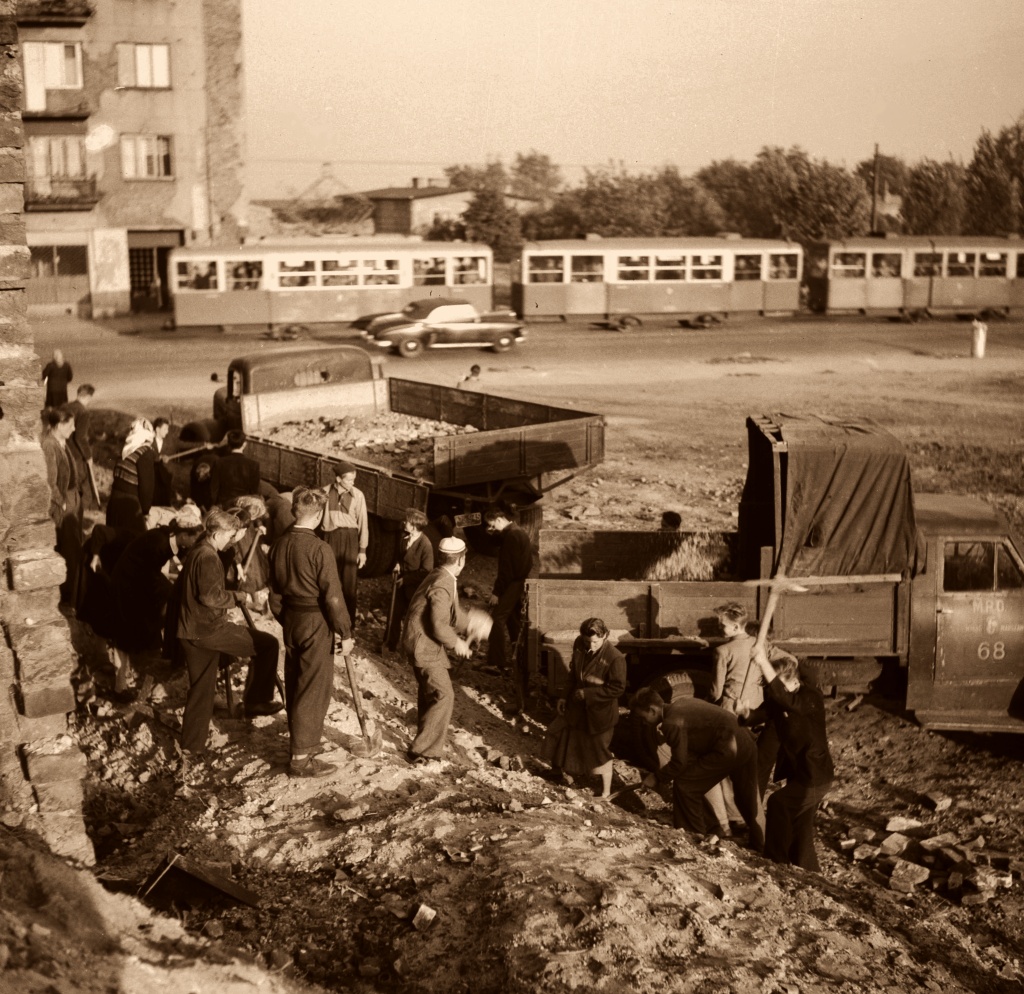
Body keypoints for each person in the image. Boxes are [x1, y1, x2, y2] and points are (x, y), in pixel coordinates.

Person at [177, 509, 283, 769]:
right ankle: (256, 701)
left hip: (190, 631)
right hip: (208, 630)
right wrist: (237, 597)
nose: (231, 539)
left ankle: (191, 749)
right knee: (267, 644)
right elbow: (210, 597)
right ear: (216, 533)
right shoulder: (208, 557)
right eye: (228, 535)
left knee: (201, 690)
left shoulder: (199, 548)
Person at [268, 487, 355, 778]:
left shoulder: (279, 545)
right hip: (316, 622)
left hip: (291, 620)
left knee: (295, 683)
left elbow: (274, 596)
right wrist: (345, 631)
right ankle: (301, 759)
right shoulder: (320, 549)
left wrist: (287, 620)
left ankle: (301, 744)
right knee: (313, 688)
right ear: (318, 516)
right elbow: (333, 596)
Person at [630, 688, 765, 850]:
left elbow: (679, 763)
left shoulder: (671, 722)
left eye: (643, 718)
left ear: (652, 710)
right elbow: (690, 754)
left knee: (685, 785)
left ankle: (693, 836)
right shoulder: (682, 703)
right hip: (745, 740)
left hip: (727, 747)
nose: (644, 723)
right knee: (748, 797)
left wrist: (657, 777)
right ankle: (761, 844)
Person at [749, 648, 834, 871]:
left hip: (816, 776)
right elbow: (760, 713)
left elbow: (782, 698)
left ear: (795, 682)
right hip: (801, 775)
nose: (773, 693)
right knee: (802, 825)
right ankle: (809, 870)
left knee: (778, 803)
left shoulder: (810, 697)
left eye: (778, 686)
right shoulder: (783, 700)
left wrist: (762, 661)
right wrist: (744, 714)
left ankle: (776, 860)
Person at [108, 512, 204, 693]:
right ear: (184, 535)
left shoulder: (169, 537)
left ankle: (133, 668)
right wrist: (172, 591)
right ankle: (120, 686)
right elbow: (149, 578)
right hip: (126, 584)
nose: (194, 543)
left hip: (137, 579)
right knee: (124, 632)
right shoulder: (159, 545)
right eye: (194, 539)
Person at [402, 536, 473, 765]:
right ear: (461, 560)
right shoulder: (443, 583)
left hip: (419, 642)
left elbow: (453, 614)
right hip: (424, 645)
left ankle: (421, 745)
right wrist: (457, 643)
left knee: (430, 694)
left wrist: (472, 623)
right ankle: (423, 751)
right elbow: (439, 624)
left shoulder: (440, 574)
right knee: (444, 695)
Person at [547, 617, 627, 798]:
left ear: (605, 636)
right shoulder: (579, 644)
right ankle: (560, 773)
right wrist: (563, 696)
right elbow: (573, 674)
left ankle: (606, 792)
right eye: (587, 641)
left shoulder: (615, 658)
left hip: (600, 712)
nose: (590, 646)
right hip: (577, 706)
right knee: (560, 733)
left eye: (595, 642)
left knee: (599, 749)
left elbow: (617, 688)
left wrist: (588, 694)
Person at [484, 504, 534, 692]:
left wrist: (497, 593)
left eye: (492, 525)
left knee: (496, 618)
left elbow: (506, 569)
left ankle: (496, 662)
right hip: (520, 581)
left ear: (499, 520)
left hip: (513, 582)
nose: (491, 529)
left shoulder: (511, 537)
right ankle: (517, 654)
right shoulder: (518, 532)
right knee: (513, 619)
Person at [40, 406, 82, 607]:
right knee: (69, 552)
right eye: (71, 425)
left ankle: (69, 596)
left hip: (72, 500)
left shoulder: (60, 442)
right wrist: (63, 503)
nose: (74, 429)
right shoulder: (50, 445)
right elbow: (50, 481)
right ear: (59, 425)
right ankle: (66, 600)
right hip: (64, 505)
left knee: (73, 549)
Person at [318, 462, 368, 626]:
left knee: (348, 584)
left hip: (350, 540)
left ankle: (348, 627)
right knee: (329, 580)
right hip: (329, 538)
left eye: (354, 480)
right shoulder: (324, 492)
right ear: (338, 479)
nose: (353, 483)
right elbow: (317, 519)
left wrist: (362, 550)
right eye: (349, 480)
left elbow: (363, 524)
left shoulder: (358, 495)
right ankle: (328, 623)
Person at [385, 508, 433, 652]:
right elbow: (401, 558)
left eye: (407, 521)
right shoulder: (404, 538)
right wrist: (398, 565)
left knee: (413, 619)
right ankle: (389, 644)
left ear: (414, 525)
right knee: (393, 613)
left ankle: (412, 650)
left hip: (416, 588)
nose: (404, 523)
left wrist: (406, 580)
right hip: (400, 583)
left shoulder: (426, 545)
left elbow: (426, 572)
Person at [107, 418, 158, 533]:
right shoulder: (145, 452)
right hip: (128, 505)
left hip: (114, 502)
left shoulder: (127, 449)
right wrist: (145, 511)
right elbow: (147, 487)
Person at [209, 429, 261, 508]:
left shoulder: (219, 462)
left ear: (228, 444)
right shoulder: (254, 465)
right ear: (244, 444)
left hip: (224, 506)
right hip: (244, 506)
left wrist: (215, 505)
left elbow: (213, 490)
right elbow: (255, 492)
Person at [66, 384, 96, 507]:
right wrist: (88, 456)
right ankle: (76, 519)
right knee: (84, 492)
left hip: (64, 452)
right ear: (88, 396)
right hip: (77, 456)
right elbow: (80, 437)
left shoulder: (65, 407)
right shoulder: (83, 412)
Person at [152, 417, 175, 507]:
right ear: (157, 429)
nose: (167, 432)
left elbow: (184, 444)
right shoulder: (148, 441)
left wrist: (203, 445)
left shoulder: (170, 441)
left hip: (165, 480)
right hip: (152, 479)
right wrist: (159, 457)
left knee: (164, 505)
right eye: (165, 429)